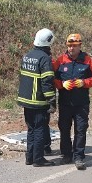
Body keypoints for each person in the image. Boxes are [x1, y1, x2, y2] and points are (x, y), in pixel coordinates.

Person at [53, 33, 92, 170]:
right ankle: (66, 155)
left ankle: (79, 156)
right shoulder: (61, 60)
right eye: (69, 46)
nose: (71, 49)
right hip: (65, 103)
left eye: (74, 46)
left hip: (81, 103)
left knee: (80, 129)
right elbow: (51, 78)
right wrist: (61, 84)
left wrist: (84, 82)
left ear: (80, 46)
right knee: (64, 129)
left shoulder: (87, 60)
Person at [17, 28, 57, 167]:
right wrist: (51, 100)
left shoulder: (27, 56)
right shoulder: (44, 58)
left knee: (31, 129)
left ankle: (30, 157)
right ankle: (38, 159)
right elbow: (47, 82)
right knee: (40, 129)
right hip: (38, 101)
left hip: (26, 101)